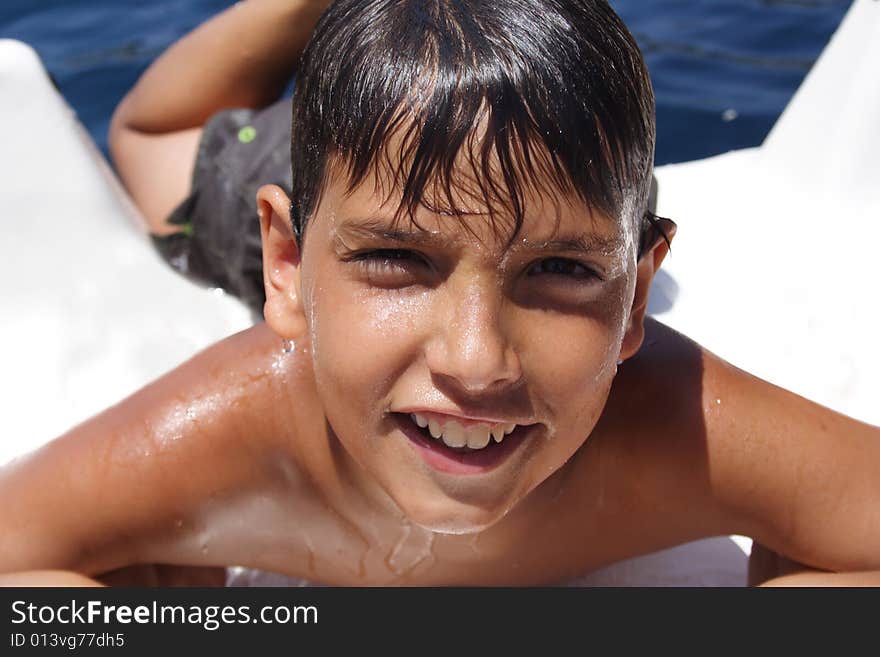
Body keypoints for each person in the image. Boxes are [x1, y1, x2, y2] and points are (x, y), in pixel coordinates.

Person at [2, 0, 879, 587]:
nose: (476, 360)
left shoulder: (677, 434)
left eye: (562, 271)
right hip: (274, 172)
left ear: (638, 296)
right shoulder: (235, 432)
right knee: (155, 137)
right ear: (287, 267)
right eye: (395, 261)